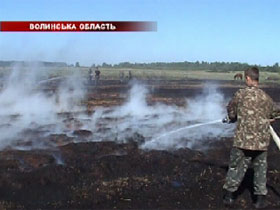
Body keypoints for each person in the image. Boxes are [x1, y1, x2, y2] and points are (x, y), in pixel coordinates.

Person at [223, 67, 280, 208]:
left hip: (242, 142)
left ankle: (229, 197)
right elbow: (276, 113)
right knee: (260, 171)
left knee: (235, 168)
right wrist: (271, 119)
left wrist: (232, 117)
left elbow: (231, 112)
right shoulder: (266, 97)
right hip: (261, 143)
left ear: (248, 78)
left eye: (245, 78)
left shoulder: (240, 95)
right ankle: (260, 201)